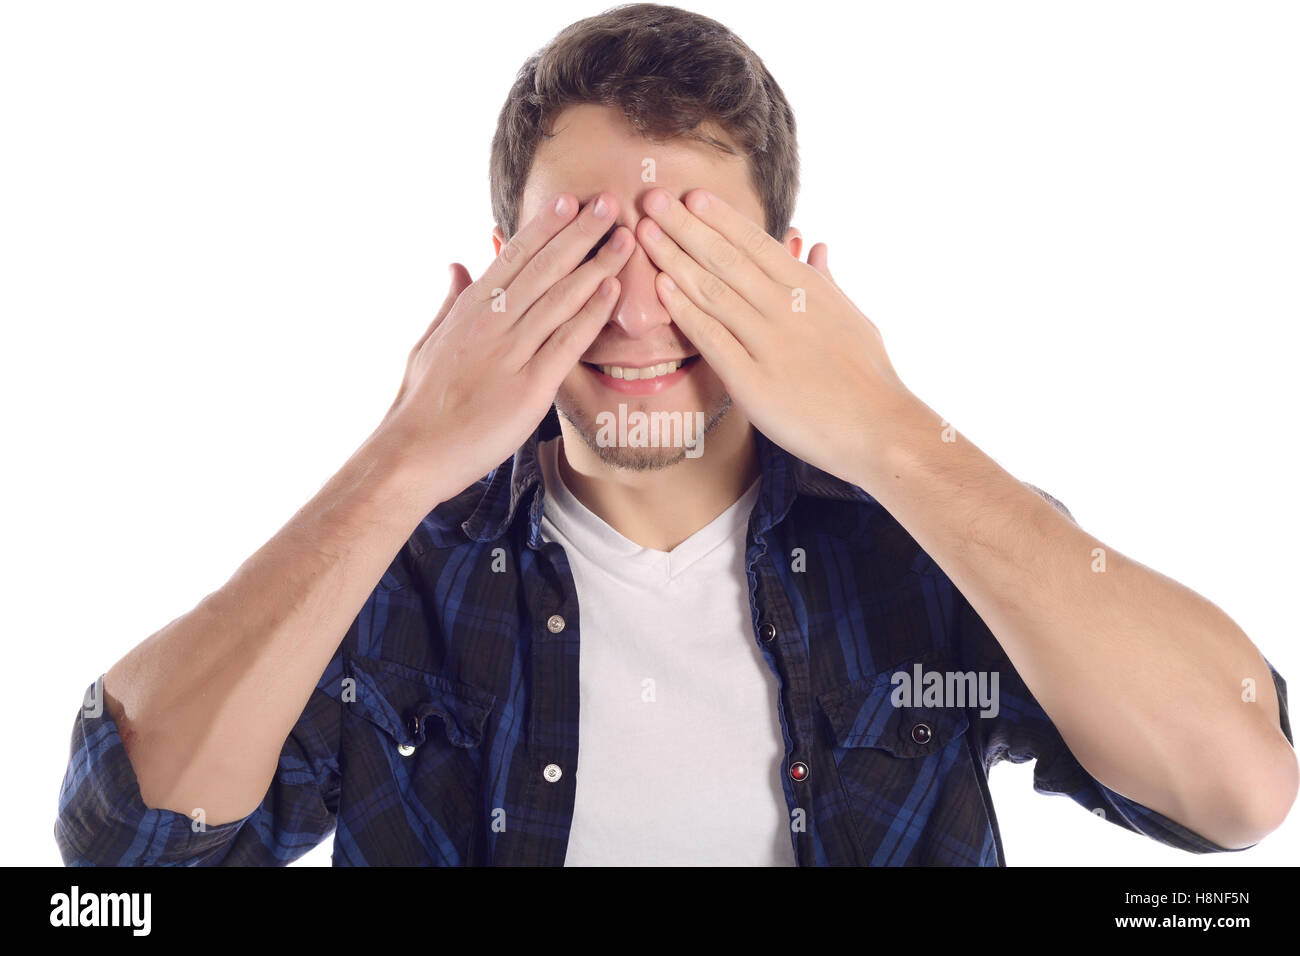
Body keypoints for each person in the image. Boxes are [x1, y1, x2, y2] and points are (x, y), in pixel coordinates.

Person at [56, 3, 1295, 866]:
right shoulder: (404, 563)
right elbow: (122, 853)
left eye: (695, 253)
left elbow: (1239, 787)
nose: (640, 309)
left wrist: (895, 434)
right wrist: (404, 455)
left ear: (793, 276)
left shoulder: (915, 530)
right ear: (498, 277)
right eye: (584, 248)